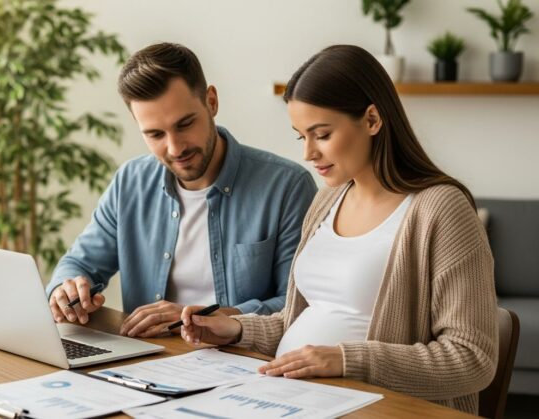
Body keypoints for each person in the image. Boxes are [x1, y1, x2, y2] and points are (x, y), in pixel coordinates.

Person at [179, 45, 497, 414]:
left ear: (372, 119)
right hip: (293, 401)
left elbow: (472, 358)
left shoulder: (440, 209)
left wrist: (346, 360)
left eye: (322, 134)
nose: (308, 153)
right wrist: (236, 329)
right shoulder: (328, 199)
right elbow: (300, 320)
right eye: (301, 137)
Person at [45, 42, 317, 338]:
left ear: (211, 102)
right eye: (155, 134)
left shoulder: (287, 187)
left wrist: (207, 318)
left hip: (242, 358)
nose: (175, 148)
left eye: (185, 124)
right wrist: (65, 290)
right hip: (147, 355)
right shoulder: (130, 182)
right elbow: (79, 263)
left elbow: (297, 305)